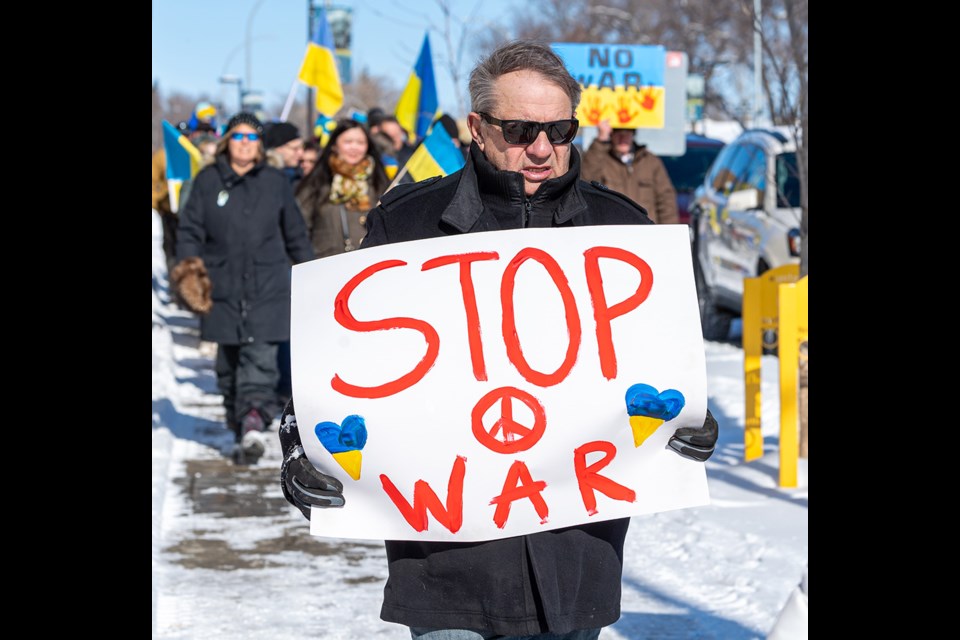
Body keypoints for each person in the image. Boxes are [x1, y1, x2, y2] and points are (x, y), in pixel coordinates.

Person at [278, 41, 719, 640]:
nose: (542, 149)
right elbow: (342, 370)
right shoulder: (407, 227)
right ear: (478, 128)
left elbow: (661, 376)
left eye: (560, 130)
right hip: (447, 566)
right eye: (519, 130)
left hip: (576, 563)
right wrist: (302, 447)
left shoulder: (623, 231)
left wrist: (691, 422)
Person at [173, 112, 314, 465]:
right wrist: (190, 269)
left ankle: (254, 420)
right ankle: (239, 422)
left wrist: (310, 272)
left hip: (269, 281)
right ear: (227, 141)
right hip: (221, 284)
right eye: (239, 137)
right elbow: (189, 229)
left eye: (252, 138)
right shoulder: (208, 180)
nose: (245, 144)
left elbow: (294, 230)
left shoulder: (274, 180)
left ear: (261, 145)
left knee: (261, 357)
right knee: (228, 365)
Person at [294, 118, 390, 258]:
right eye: (348, 142)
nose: (354, 147)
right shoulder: (317, 182)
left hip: (370, 267)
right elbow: (298, 231)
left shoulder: (379, 182)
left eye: (360, 142)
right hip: (325, 268)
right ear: (334, 145)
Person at [580, 119, 680, 224]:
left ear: (633, 135)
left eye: (627, 133)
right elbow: (585, 180)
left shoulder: (651, 162)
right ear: (611, 135)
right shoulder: (600, 160)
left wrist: (668, 234)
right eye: (618, 133)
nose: (623, 138)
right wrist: (601, 140)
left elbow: (666, 201)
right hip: (613, 233)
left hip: (646, 233)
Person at [263, 121, 305, 188]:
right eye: (295, 148)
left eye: (302, 147)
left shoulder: (301, 176)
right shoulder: (263, 179)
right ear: (278, 149)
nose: (301, 153)